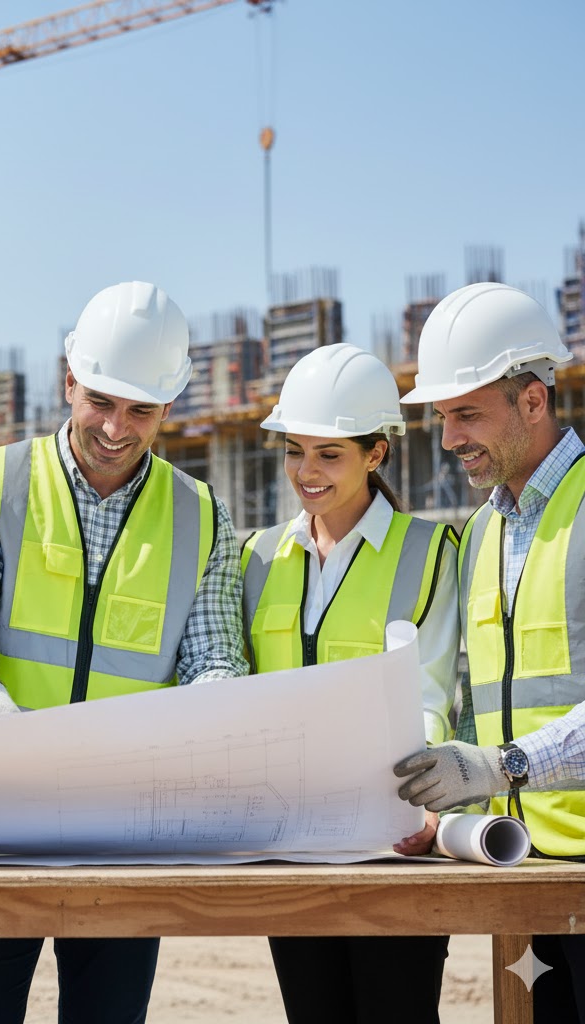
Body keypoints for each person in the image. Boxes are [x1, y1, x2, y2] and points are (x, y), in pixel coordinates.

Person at [0, 280, 248, 1024]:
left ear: (170, 408)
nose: (114, 427)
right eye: (101, 399)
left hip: (126, 832)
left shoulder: (202, 515)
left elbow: (215, 656)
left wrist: (211, 714)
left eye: (140, 409)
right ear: (69, 379)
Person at [241, 343, 459, 1024]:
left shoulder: (429, 554)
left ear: (376, 454)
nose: (305, 472)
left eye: (329, 454)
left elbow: (434, 693)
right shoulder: (256, 558)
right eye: (295, 451)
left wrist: (416, 803)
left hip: (389, 839)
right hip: (290, 842)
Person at [393, 282, 585, 1020]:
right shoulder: (481, 534)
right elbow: (486, 696)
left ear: (533, 400)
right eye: (443, 418)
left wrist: (504, 765)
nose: (448, 440)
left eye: (466, 413)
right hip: (514, 865)